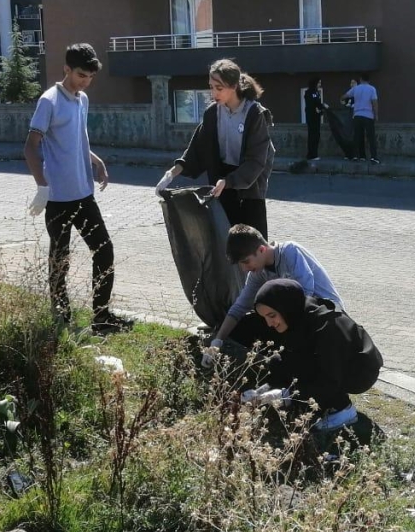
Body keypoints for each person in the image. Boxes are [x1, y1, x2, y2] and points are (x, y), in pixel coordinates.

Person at [24, 43, 129, 334]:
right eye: (81, 75)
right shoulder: (49, 101)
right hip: (58, 199)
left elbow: (76, 138)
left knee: (104, 251)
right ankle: (61, 315)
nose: (85, 81)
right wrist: (42, 187)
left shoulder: (82, 99)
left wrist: (95, 160)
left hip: (84, 195)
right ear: (66, 70)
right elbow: (30, 147)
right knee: (61, 259)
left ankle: (102, 318)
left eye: (90, 77)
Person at [156, 58, 275, 238]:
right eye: (211, 87)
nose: (214, 93)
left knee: (252, 246)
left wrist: (229, 181)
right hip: (221, 184)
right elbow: (197, 148)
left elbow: (256, 161)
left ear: (234, 86)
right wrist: (172, 173)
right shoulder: (212, 112)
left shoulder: (254, 114)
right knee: (226, 242)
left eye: (219, 88)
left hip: (249, 186)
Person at [252, 278, 383, 434]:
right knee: (277, 361)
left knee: (306, 369)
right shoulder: (297, 316)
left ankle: (343, 409)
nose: (269, 323)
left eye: (272, 315)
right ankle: (306, 400)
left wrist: (287, 395)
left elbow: (329, 377)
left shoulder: (326, 326)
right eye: (265, 317)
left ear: (285, 307)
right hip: (333, 365)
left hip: (359, 371)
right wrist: (266, 389)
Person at [205, 224, 342, 354]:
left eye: (246, 261)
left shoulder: (289, 251)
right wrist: (218, 341)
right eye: (241, 264)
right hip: (295, 316)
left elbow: (305, 295)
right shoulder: (257, 273)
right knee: (244, 326)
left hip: (327, 315)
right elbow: (240, 307)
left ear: (262, 250)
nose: (244, 269)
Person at [347, 75, 380, 163]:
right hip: (368, 115)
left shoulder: (356, 88)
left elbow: (345, 96)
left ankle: (355, 156)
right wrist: (376, 114)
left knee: (357, 136)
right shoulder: (372, 89)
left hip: (357, 115)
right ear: (369, 80)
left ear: (361, 79)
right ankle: (373, 157)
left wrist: (344, 101)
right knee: (371, 137)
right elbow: (374, 102)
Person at [303, 77, 327, 161]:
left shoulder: (317, 92)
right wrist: (320, 106)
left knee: (316, 135)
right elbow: (313, 103)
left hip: (316, 117)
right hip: (311, 117)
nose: (320, 84)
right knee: (312, 135)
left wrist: (322, 107)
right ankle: (311, 155)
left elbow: (318, 103)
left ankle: (314, 153)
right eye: (318, 83)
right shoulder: (309, 92)